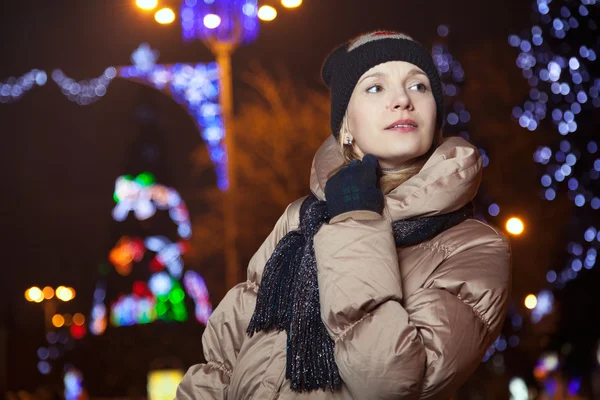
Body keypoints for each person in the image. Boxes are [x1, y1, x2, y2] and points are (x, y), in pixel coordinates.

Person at [176, 31, 512, 399]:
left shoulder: (475, 247)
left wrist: (357, 220)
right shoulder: (299, 219)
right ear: (346, 127)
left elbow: (388, 381)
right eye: (375, 88)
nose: (402, 100)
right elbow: (221, 364)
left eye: (419, 86)